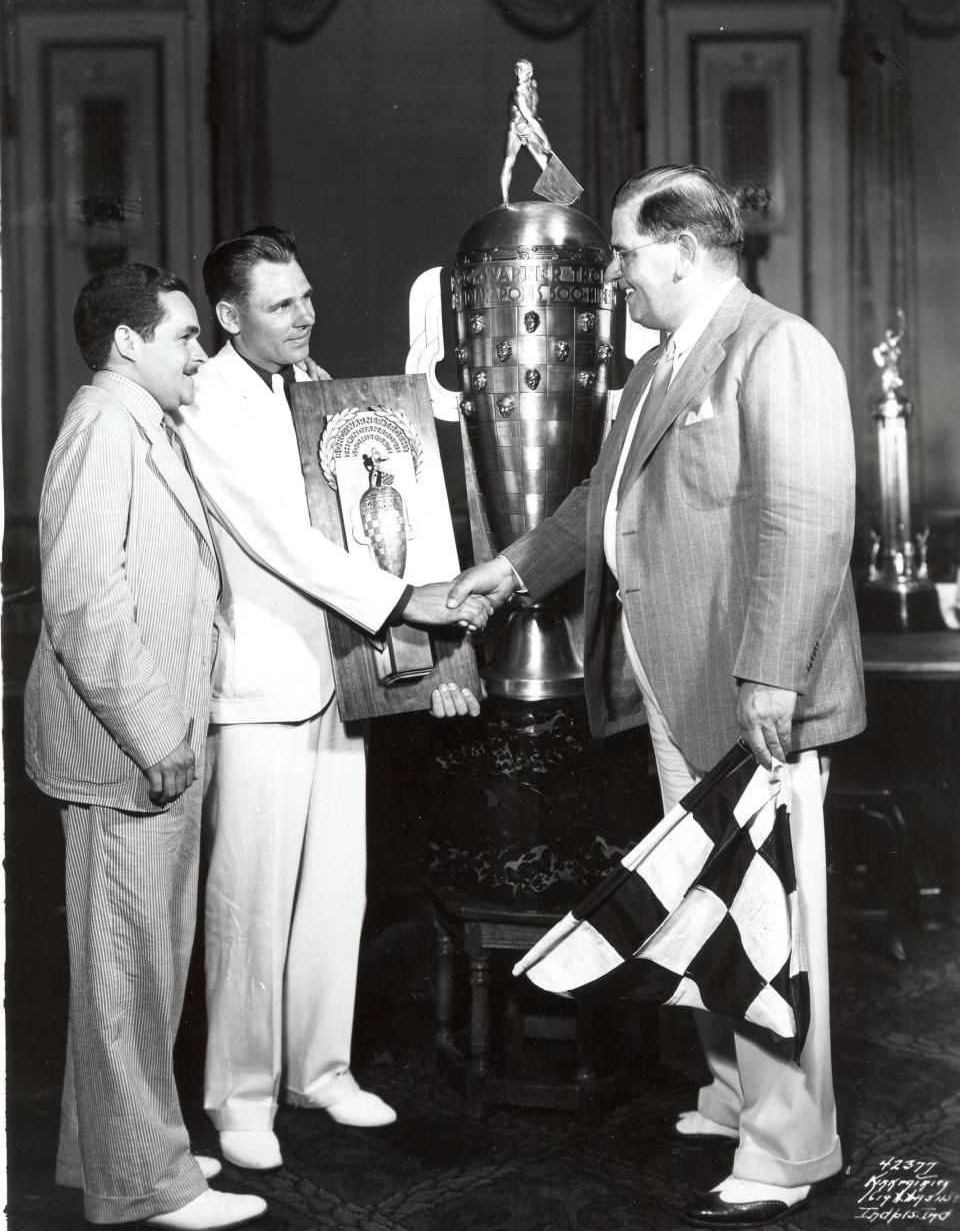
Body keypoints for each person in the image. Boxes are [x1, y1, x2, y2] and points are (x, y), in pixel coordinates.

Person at [447, 165, 866, 1228]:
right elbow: (602, 501)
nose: (619, 275)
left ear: (681, 251)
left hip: (751, 688)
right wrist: (510, 571)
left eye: (628, 255)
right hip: (672, 683)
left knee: (769, 915)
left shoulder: (778, 348)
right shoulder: (656, 370)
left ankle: (787, 1152)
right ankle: (733, 1100)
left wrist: (772, 670)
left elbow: (807, 519)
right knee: (712, 899)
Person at [173, 226, 487, 1172]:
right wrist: (401, 602)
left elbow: (381, 515)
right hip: (261, 684)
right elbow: (279, 537)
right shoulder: (206, 403)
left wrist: (428, 644)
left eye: (306, 295)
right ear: (228, 317)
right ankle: (241, 1093)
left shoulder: (319, 388)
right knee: (250, 901)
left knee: (335, 890)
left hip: (343, 675)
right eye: (280, 304)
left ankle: (322, 1066)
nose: (305, 314)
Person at [23, 265, 266, 1230]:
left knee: (139, 963)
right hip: (128, 749)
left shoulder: (137, 423)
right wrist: (157, 731)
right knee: (128, 968)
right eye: (182, 337)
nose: (199, 351)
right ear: (128, 344)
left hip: (148, 742)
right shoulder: (103, 428)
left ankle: (116, 1151)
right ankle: (144, 1187)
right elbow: (85, 600)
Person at [500, 58, 553, 206]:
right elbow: (528, 117)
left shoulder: (532, 88)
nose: (518, 73)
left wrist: (538, 124)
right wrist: (545, 139)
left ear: (530, 73)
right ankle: (505, 198)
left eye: (522, 70)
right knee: (509, 161)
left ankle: (556, 194)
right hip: (515, 129)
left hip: (528, 129)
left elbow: (532, 113)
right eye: (517, 70)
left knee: (544, 162)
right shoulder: (518, 92)